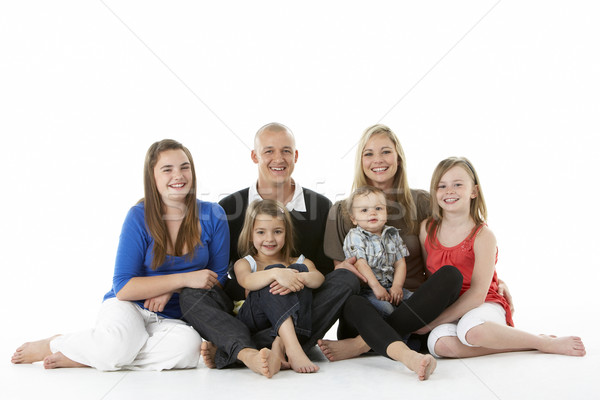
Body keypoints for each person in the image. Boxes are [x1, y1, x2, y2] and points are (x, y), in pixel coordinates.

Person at [11, 139, 229, 371]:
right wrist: (180, 281)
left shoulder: (214, 214)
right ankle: (56, 344)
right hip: (129, 306)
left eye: (185, 167)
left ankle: (90, 355)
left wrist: (174, 291)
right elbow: (123, 287)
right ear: (152, 177)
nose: (179, 175)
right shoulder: (138, 216)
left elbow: (219, 279)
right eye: (168, 169)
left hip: (174, 317)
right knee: (117, 346)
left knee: (188, 351)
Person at [179, 122, 359, 376]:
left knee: (346, 278)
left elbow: (324, 272)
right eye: (268, 151)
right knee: (190, 294)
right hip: (247, 307)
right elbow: (223, 275)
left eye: (286, 151)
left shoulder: (320, 206)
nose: (278, 158)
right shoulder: (230, 207)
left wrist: (294, 279)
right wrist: (269, 281)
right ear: (254, 156)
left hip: (301, 304)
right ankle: (272, 346)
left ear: (295, 156)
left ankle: (233, 348)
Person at [319, 124, 464, 380]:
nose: (378, 160)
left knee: (452, 275)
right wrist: (376, 289)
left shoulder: (421, 201)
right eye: (368, 153)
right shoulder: (342, 211)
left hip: (415, 306)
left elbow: (455, 243)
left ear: (398, 157)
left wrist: (491, 278)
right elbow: (342, 275)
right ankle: (399, 347)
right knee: (352, 299)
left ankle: (362, 345)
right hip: (367, 311)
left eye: (386, 151)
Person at [418, 156, 586, 358]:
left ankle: (542, 342)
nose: (449, 191)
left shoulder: (483, 236)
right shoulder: (427, 229)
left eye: (458, 184)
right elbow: (429, 275)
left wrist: (434, 322)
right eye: (442, 186)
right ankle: (518, 344)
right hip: (450, 308)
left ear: (474, 191)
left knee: (471, 330)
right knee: (439, 344)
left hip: (483, 305)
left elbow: (478, 293)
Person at [235, 199, 324, 373]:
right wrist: (276, 274)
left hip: (292, 320)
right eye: (261, 232)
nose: (269, 239)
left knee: (298, 269)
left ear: (286, 233)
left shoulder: (299, 261)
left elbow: (319, 278)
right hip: (256, 321)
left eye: (277, 232)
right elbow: (246, 281)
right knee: (275, 270)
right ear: (250, 235)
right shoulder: (246, 263)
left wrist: (299, 277)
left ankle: (279, 344)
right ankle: (293, 349)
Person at [343, 185, 412, 318]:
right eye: (364, 210)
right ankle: (397, 336)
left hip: (392, 286)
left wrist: (397, 286)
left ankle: (407, 329)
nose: (373, 213)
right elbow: (360, 264)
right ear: (354, 219)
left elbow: (400, 263)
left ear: (386, 212)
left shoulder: (393, 234)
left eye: (378, 208)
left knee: (416, 301)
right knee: (386, 309)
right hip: (369, 290)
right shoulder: (355, 236)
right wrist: (376, 287)